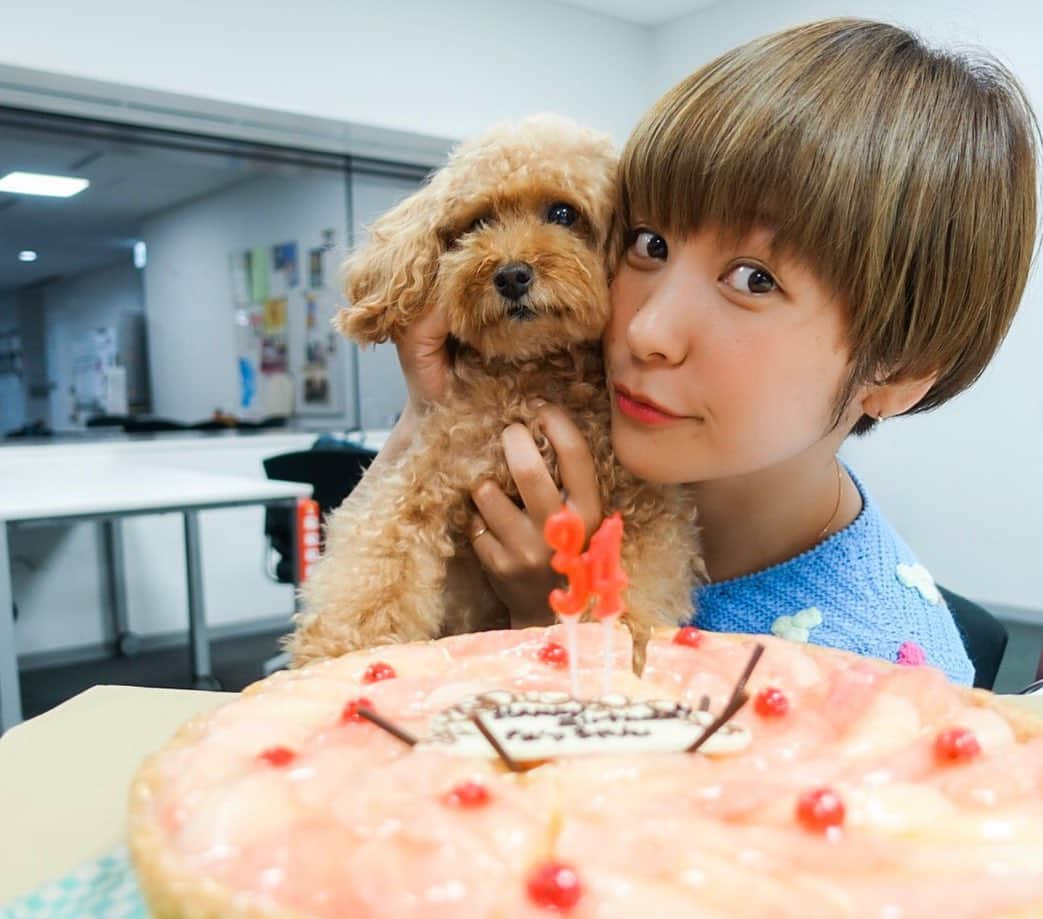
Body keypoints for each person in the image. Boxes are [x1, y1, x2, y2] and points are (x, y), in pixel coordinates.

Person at [361, 18, 1039, 686]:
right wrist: (429, 414)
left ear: (896, 368)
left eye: (754, 280)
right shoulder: (578, 445)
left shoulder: (878, 692)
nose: (645, 330)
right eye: (648, 244)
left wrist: (556, 626)